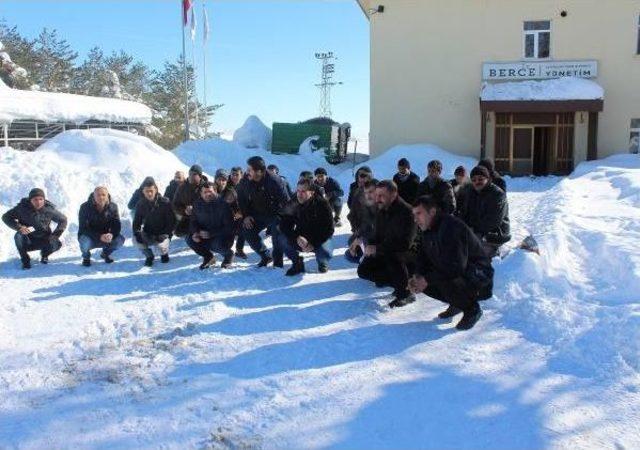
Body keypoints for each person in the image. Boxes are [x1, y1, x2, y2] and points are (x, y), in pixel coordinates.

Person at [409, 196, 493, 330]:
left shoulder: (451, 227)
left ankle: (472, 309)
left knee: (441, 278)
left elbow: (456, 267)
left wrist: (427, 279)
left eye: (419, 213)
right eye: (414, 214)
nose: (415, 219)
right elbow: (422, 255)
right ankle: (457, 303)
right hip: (460, 272)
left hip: (479, 276)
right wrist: (418, 275)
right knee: (423, 280)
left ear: (432, 212)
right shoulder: (427, 228)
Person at [357, 180, 417, 308]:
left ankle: (406, 293)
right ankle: (397, 281)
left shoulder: (407, 212)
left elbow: (405, 244)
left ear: (393, 194)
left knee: (394, 257)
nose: (377, 199)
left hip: (411, 254)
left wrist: (377, 248)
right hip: (387, 249)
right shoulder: (383, 209)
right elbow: (378, 236)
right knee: (363, 270)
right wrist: (367, 245)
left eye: (381, 195)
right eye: (376, 195)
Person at [237, 156, 290, 267]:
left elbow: (286, 202)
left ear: (260, 171)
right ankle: (266, 256)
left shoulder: (274, 181)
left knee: (277, 233)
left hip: (276, 213)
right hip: (257, 212)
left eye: (250, 170)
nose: (247, 172)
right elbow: (241, 198)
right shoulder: (246, 180)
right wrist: (246, 215)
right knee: (247, 229)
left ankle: (278, 262)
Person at [278, 179, 335, 275]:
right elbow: (284, 225)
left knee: (326, 252)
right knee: (282, 238)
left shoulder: (322, 204)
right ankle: (297, 263)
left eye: (303, 191)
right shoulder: (293, 203)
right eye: (298, 191)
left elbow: (329, 229)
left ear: (312, 193)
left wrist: (313, 243)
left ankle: (322, 261)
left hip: (319, 237)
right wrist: (296, 237)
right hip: (301, 237)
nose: (299, 194)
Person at [2, 188, 67, 269]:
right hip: (28, 240)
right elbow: (6, 217)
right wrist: (19, 227)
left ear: (44, 199)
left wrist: (55, 235)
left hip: (44, 239)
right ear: (30, 200)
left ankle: (45, 255)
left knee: (56, 244)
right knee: (18, 236)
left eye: (41, 199)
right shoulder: (22, 208)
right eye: (35, 199)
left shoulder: (49, 209)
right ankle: (25, 259)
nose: (38, 202)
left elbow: (63, 220)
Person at [460, 166, 511, 257]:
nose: (477, 182)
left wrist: (472, 230)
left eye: (480, 179)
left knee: (474, 254)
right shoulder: (470, 193)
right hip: (475, 231)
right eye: (474, 180)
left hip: (495, 233)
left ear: (488, 179)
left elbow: (493, 221)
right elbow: (464, 213)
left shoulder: (497, 194)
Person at [186, 181, 235, 269]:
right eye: (205, 192)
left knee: (215, 244)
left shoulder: (223, 205)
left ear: (215, 191)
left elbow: (230, 227)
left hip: (222, 236)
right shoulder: (197, 204)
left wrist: (211, 233)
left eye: (210, 192)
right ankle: (208, 257)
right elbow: (193, 221)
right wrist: (196, 232)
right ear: (201, 193)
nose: (208, 194)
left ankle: (228, 255)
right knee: (189, 239)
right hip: (204, 234)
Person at [132, 178, 177, 267]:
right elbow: (136, 222)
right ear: (143, 192)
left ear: (156, 190)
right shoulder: (140, 204)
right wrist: (137, 233)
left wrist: (166, 234)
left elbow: (172, 221)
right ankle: (149, 256)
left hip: (163, 233)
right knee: (135, 240)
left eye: (151, 191)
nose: (149, 193)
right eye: (147, 191)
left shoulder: (165, 202)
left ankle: (164, 254)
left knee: (160, 247)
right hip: (149, 232)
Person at [77, 186, 125, 266]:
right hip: (90, 236)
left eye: (103, 195)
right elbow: (83, 228)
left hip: (106, 237)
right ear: (94, 196)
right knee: (84, 242)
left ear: (107, 196)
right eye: (98, 195)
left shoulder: (113, 207)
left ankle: (105, 253)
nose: (101, 197)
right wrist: (99, 236)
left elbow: (117, 225)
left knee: (120, 240)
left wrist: (111, 234)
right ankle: (86, 257)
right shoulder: (84, 207)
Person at [345, 178, 378, 263]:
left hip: (388, 244)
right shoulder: (367, 205)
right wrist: (358, 237)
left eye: (371, 192)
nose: (367, 196)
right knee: (349, 253)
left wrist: (362, 239)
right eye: (366, 193)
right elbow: (365, 225)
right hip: (372, 239)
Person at [173, 164, 208, 237]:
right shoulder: (182, 187)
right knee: (178, 232)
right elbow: (175, 205)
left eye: (194, 174)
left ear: (200, 176)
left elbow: (212, 204)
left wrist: (196, 209)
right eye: (190, 174)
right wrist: (184, 210)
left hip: (203, 219)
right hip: (188, 217)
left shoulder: (207, 187)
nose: (191, 176)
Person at [229, 166, 248, 258]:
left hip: (242, 212)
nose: (234, 177)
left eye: (237, 175)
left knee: (243, 229)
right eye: (233, 174)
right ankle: (226, 250)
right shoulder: (227, 185)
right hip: (229, 213)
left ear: (241, 175)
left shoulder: (246, 185)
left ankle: (239, 249)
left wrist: (241, 212)